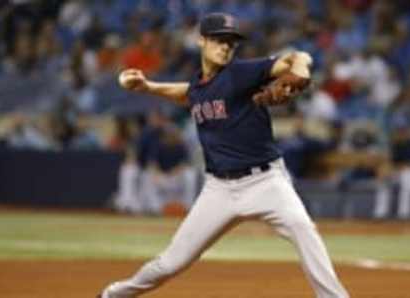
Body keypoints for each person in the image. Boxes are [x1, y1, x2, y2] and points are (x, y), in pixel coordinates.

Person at [99, 13, 348, 298]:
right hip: (218, 189)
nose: (226, 46)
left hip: (266, 182)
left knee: (304, 231)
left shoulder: (240, 73)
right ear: (201, 41)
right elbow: (189, 94)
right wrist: (148, 87)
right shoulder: (200, 86)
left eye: (231, 41)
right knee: (170, 263)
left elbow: (297, 57)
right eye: (219, 39)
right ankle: (113, 295)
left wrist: (301, 68)